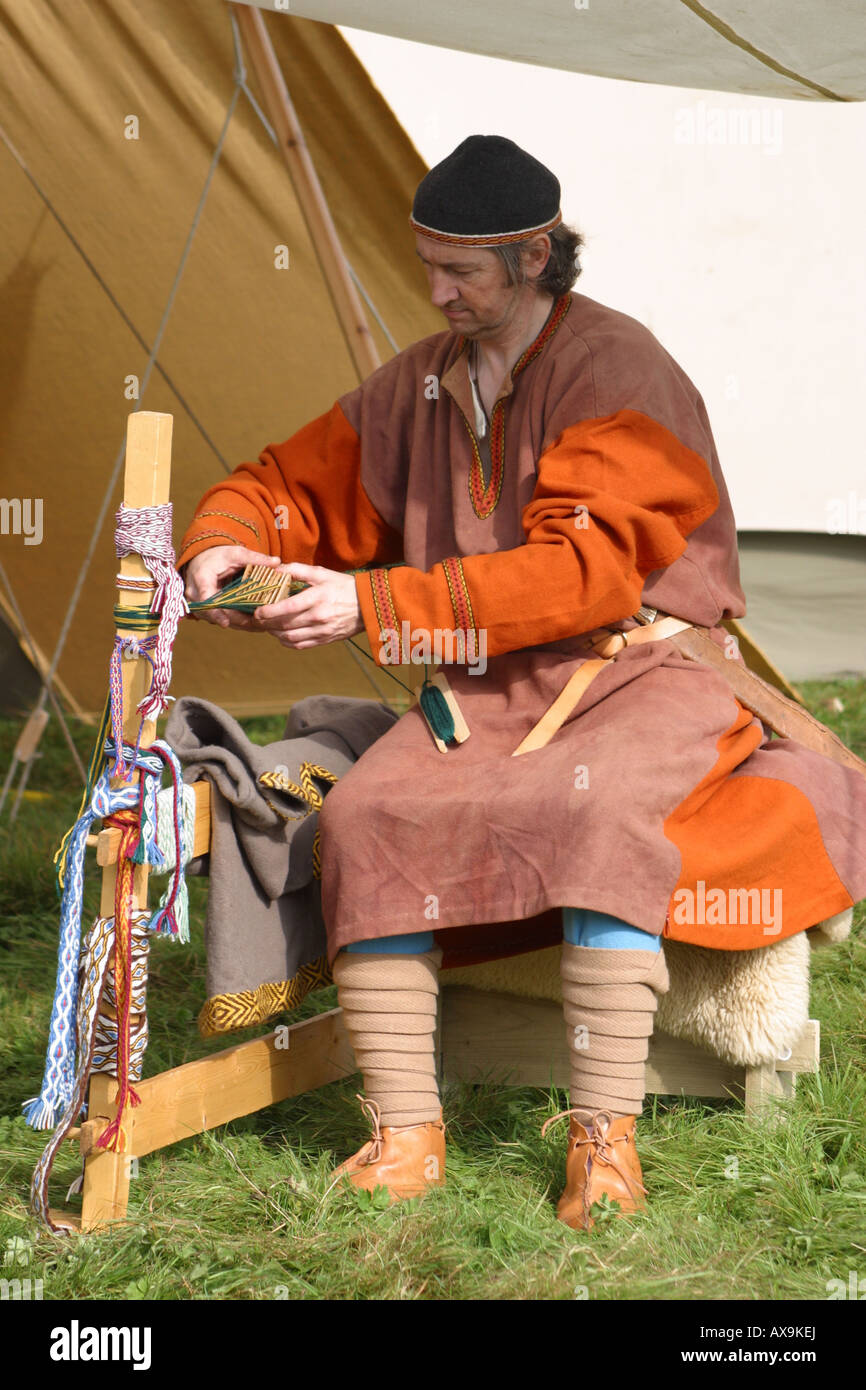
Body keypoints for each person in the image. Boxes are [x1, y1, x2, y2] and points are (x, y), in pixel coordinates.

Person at [179, 135, 866, 1231]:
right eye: (426, 265)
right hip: (489, 685)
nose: (435, 291)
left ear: (535, 253)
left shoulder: (618, 371)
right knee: (365, 816)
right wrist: (229, 538)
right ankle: (404, 1133)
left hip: (646, 668)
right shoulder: (420, 381)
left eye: (461, 271)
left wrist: (373, 605)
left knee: (592, 817)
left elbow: (585, 574)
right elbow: (289, 484)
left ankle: (602, 1142)